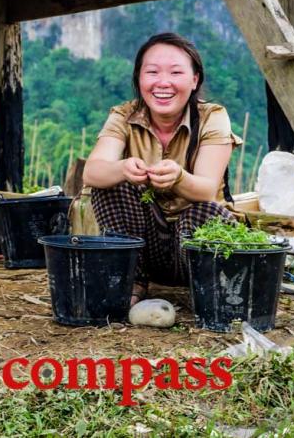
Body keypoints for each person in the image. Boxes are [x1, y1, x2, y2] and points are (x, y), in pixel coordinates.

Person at [83, 32, 243, 305]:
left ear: (194, 80)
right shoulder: (124, 115)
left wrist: (179, 178)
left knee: (205, 211)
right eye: (152, 72)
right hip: (144, 245)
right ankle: (133, 279)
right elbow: (92, 171)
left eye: (176, 72)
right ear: (139, 79)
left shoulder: (212, 117)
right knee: (110, 185)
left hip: (193, 246)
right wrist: (123, 168)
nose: (163, 83)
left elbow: (206, 190)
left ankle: (206, 288)